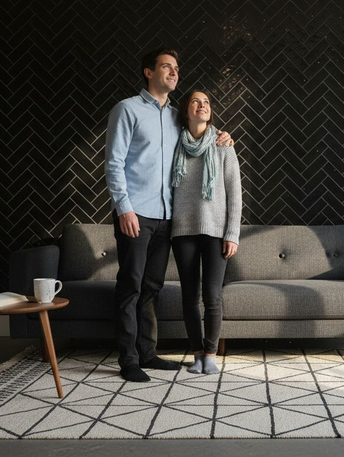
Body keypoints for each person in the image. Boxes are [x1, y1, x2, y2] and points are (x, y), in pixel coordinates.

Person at [104, 48, 233, 382]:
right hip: (135, 214)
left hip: (167, 217)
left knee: (151, 288)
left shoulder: (177, 116)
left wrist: (223, 135)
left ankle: (147, 353)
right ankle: (128, 360)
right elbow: (114, 162)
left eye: (176, 67)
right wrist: (124, 208)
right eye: (166, 67)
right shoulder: (127, 110)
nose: (174, 72)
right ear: (149, 72)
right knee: (130, 286)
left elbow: (200, 133)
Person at [170, 89, 242, 375]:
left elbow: (235, 194)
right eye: (195, 101)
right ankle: (197, 354)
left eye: (207, 102)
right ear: (186, 111)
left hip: (215, 230)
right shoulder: (173, 144)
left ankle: (211, 354)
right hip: (182, 230)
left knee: (212, 296)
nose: (202, 105)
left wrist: (232, 233)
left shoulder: (223, 145)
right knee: (189, 296)